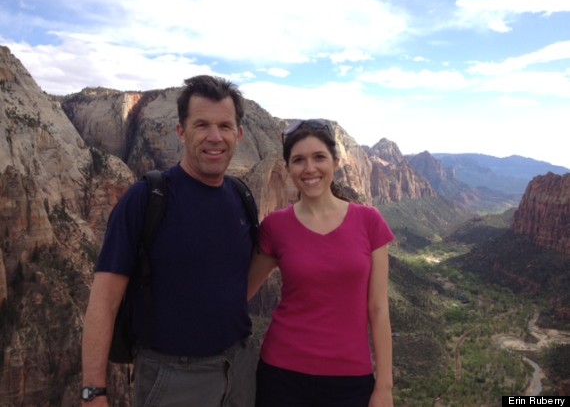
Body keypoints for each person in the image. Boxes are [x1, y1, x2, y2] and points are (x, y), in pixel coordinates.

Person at [81, 75, 257, 406]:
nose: (215, 137)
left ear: (239, 134)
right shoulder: (145, 198)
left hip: (240, 368)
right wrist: (93, 392)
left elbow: (237, 281)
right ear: (181, 131)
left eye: (225, 126)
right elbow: (104, 301)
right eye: (202, 124)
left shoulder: (242, 196)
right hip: (173, 376)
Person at [248, 119, 395, 407]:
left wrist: (384, 387)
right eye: (299, 160)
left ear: (336, 162)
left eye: (319, 157)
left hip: (351, 379)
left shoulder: (369, 221)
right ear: (288, 169)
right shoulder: (275, 226)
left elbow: (378, 309)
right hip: (281, 374)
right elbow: (242, 292)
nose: (309, 168)